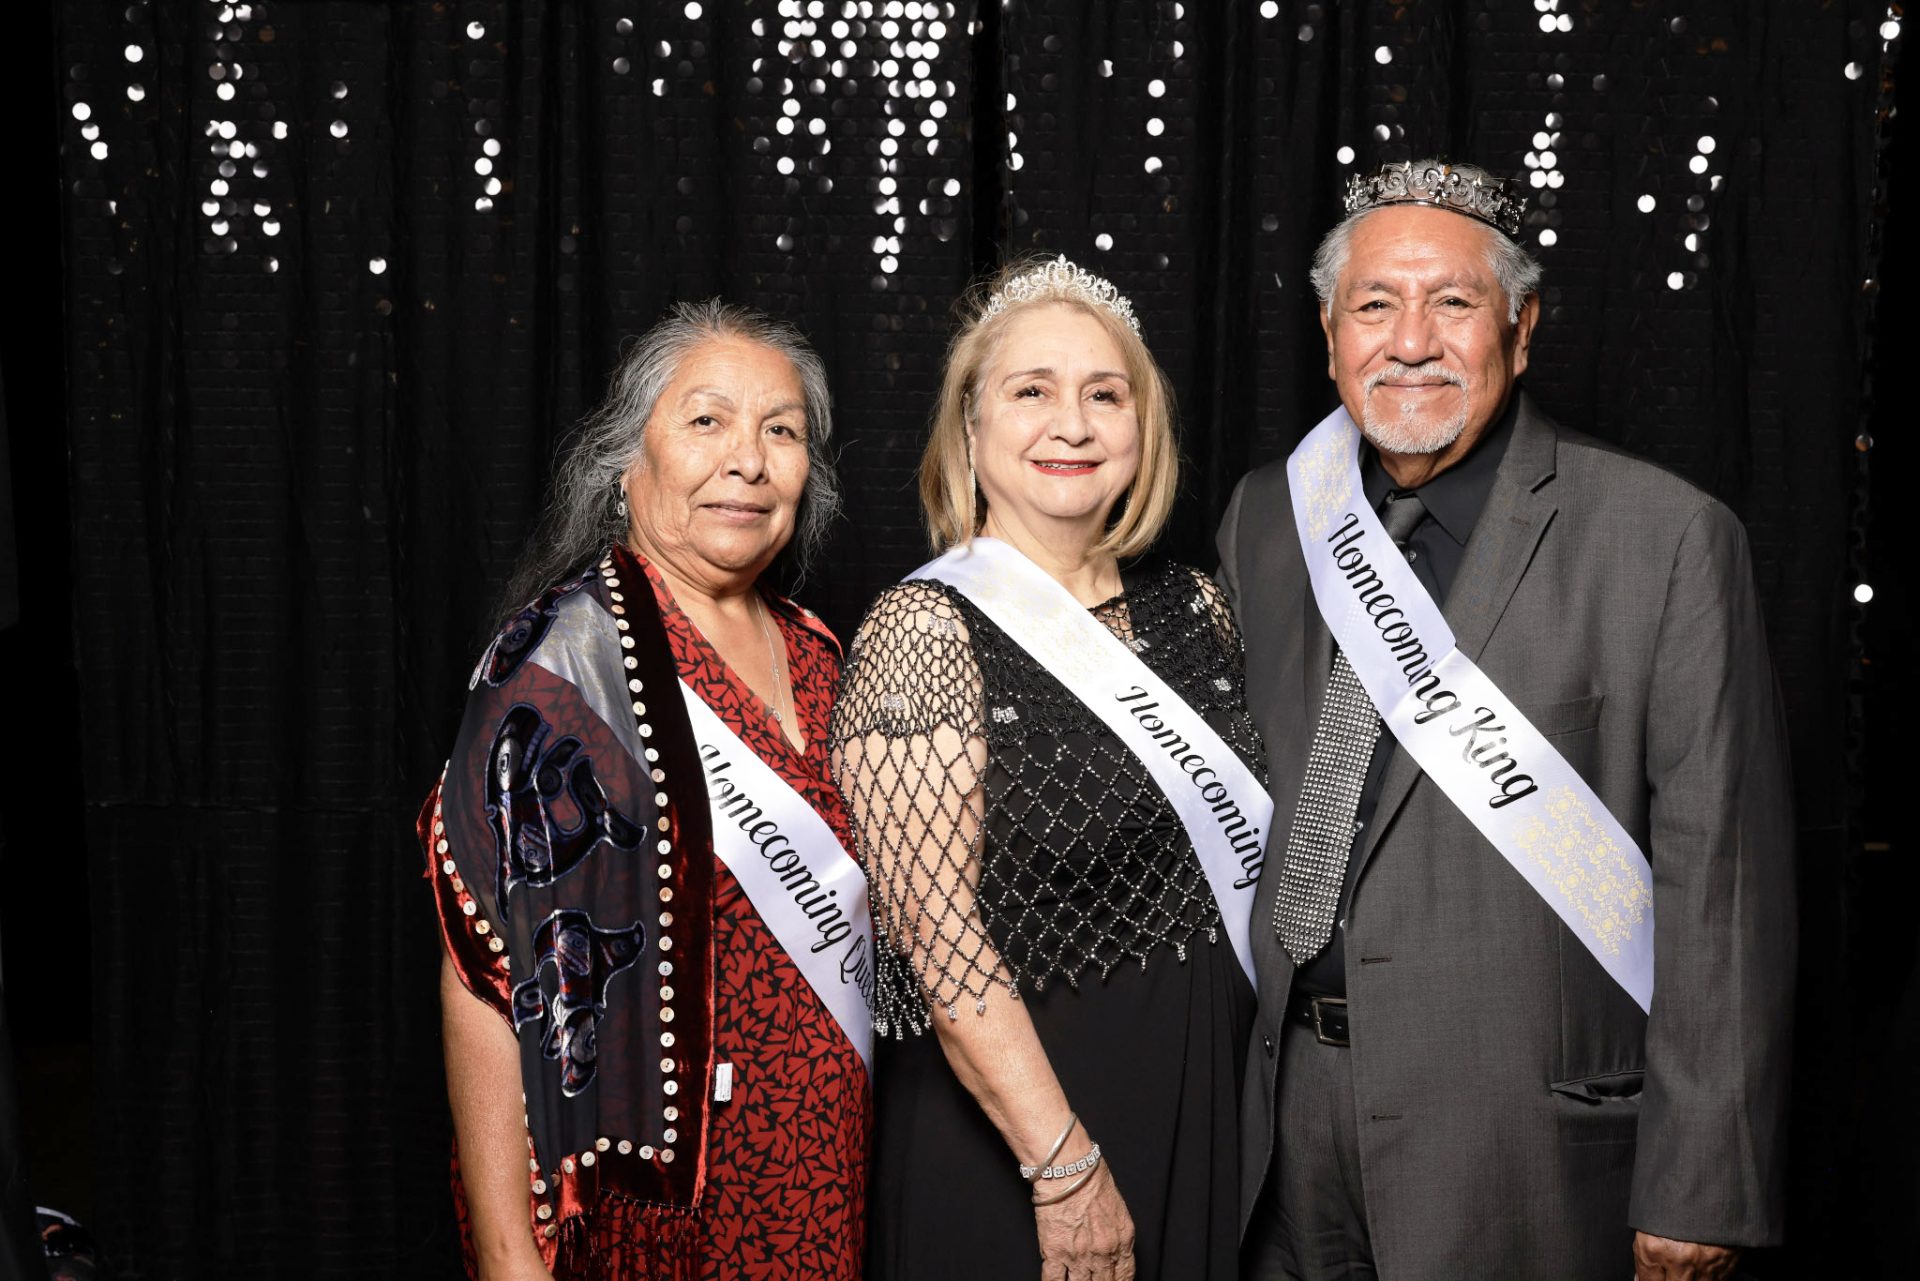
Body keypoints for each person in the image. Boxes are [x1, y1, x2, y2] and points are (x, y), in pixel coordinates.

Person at [1220, 159, 1796, 1280]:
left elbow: (1722, 885)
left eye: (1455, 303)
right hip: (1290, 1127)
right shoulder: (1269, 519)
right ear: (1331, 331)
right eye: (1375, 305)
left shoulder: (1665, 537)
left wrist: (1704, 1185)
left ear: (1521, 331)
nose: (1412, 341)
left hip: (1522, 1147)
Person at [833, 257, 1270, 1281]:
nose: (1071, 425)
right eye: (1031, 392)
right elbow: (933, 941)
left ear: (1140, 428)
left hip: (1203, 1107)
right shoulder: (921, 631)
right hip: (1029, 1138)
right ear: (972, 428)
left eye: (1103, 395)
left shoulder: (1198, 609)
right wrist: (1063, 1166)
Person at [419, 301, 871, 1281]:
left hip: (821, 1171)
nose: (748, 460)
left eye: (781, 430)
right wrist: (508, 1258)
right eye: (706, 421)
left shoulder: (822, 656)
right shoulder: (564, 666)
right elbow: (481, 974)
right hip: (661, 1206)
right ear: (629, 465)